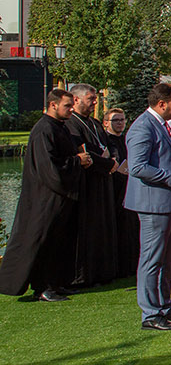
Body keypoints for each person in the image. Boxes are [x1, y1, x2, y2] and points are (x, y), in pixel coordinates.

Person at [125, 83, 171, 331]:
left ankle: (165, 307)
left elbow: (165, 158)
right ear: (161, 104)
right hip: (153, 203)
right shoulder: (143, 127)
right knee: (152, 258)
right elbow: (138, 167)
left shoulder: (162, 124)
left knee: (167, 259)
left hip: (169, 199)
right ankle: (150, 313)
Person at [0, 89, 87, 302]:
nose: (71, 110)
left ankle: (55, 283)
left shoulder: (60, 127)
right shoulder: (43, 130)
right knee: (43, 241)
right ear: (53, 105)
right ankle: (42, 287)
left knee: (58, 241)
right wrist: (78, 160)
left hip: (61, 196)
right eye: (67, 106)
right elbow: (49, 167)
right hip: (45, 197)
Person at [64, 82, 119, 287]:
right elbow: (84, 151)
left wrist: (113, 159)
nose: (94, 103)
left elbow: (107, 144)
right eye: (90, 99)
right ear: (76, 99)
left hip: (103, 181)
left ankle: (103, 272)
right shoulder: (72, 124)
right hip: (88, 183)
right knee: (88, 230)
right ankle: (83, 276)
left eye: (95, 99)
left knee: (103, 227)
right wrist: (108, 164)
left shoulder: (94, 123)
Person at [102, 107, 139, 278]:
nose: (120, 123)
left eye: (122, 120)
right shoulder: (106, 141)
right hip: (113, 189)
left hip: (130, 187)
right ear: (106, 123)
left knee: (131, 226)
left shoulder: (127, 140)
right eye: (115, 120)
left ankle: (131, 265)